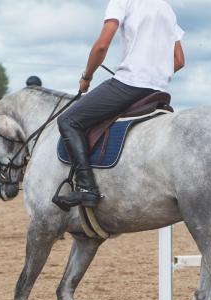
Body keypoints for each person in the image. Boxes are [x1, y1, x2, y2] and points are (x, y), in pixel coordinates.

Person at [55, 0, 186, 209]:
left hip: (130, 84)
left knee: (68, 120)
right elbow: (179, 60)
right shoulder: (166, 8)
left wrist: (86, 77)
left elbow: (101, 46)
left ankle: (88, 188)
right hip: (159, 89)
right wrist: (155, 73)